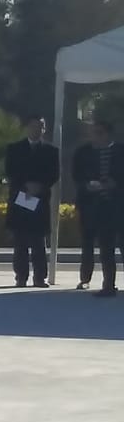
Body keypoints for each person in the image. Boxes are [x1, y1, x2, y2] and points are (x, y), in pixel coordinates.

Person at [4, 114, 59, 289]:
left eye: (39, 127)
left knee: (38, 240)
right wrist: (25, 186)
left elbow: (54, 174)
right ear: (27, 128)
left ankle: (39, 277)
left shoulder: (51, 151)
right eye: (33, 126)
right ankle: (21, 276)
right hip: (20, 197)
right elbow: (10, 171)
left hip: (40, 199)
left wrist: (39, 186)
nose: (36, 130)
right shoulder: (14, 149)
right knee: (20, 240)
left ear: (44, 129)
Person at [76, 119, 120, 297]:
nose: (96, 137)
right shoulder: (83, 153)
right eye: (94, 133)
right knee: (99, 246)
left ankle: (111, 285)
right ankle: (102, 283)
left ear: (108, 134)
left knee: (116, 245)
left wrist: (115, 184)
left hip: (116, 207)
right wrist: (87, 185)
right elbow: (77, 175)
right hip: (92, 206)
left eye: (100, 133)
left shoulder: (120, 152)